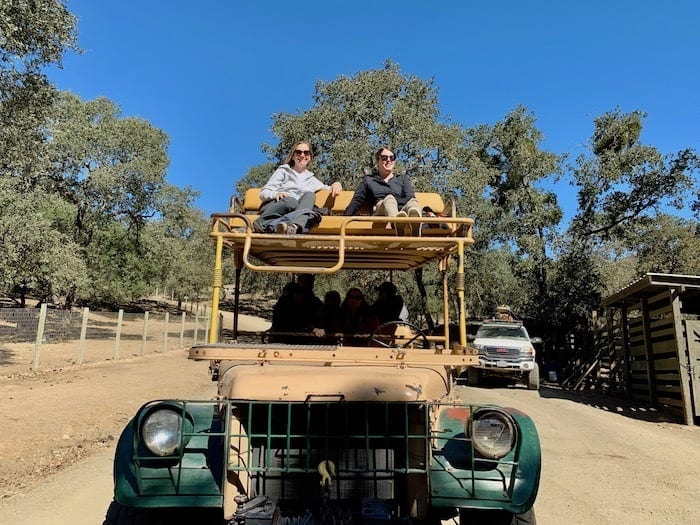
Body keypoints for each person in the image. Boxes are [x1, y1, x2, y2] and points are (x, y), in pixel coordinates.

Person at [253, 141, 342, 235]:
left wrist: (336, 184)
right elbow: (263, 193)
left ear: (310, 157)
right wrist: (276, 194)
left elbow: (328, 188)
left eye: (306, 152)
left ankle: (294, 227)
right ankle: (258, 225)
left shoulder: (312, 179)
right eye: (298, 152)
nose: (302, 155)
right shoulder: (283, 171)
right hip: (278, 208)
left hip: (294, 215)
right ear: (293, 155)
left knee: (310, 195)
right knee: (291, 201)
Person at [344, 146, 421, 235]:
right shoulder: (369, 180)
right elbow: (357, 200)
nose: (388, 160)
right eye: (384, 158)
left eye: (392, 158)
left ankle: (415, 224)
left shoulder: (403, 179)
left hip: (401, 211)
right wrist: (344, 219)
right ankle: (397, 224)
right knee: (389, 199)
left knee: (413, 202)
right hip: (380, 212)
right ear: (377, 161)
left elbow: (409, 197)